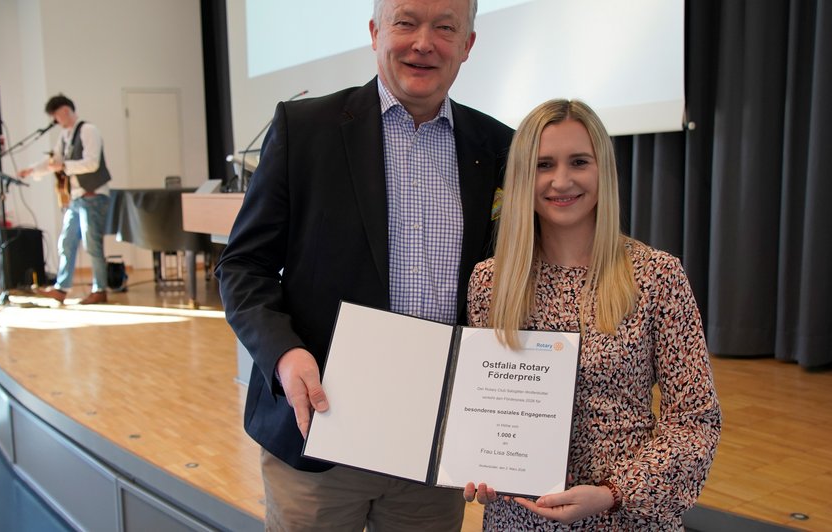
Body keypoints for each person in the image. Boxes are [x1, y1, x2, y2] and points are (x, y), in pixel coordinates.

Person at [216, 0, 514, 529]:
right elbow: (243, 266)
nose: (423, 42)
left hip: (432, 447)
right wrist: (284, 356)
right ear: (375, 32)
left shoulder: (497, 147)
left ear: (468, 46)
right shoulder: (303, 129)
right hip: (320, 437)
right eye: (405, 22)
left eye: (445, 28)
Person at [462, 99, 721, 529]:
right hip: (520, 519)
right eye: (543, 165)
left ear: (603, 170)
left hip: (621, 518)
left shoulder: (656, 275)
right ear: (523, 177)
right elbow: (486, 412)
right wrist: (480, 466)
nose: (561, 181)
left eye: (579, 161)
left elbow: (695, 423)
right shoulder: (491, 283)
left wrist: (614, 494)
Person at [20, 94, 112, 305]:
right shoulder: (65, 136)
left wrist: (64, 167)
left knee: (92, 245)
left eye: (56, 116)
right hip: (76, 198)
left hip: (94, 195)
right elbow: (53, 160)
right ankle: (62, 288)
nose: (56, 121)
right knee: (67, 242)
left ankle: (100, 289)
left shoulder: (89, 130)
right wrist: (33, 170)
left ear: (65, 111)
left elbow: (92, 163)